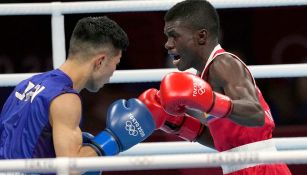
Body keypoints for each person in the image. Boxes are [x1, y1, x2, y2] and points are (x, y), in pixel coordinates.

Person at [138, 0, 292, 175]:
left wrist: (211, 101)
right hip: (236, 168)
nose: (168, 44)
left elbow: (255, 115)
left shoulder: (224, 63)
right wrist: (179, 125)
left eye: (174, 36)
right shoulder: (203, 77)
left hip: (262, 168)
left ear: (201, 36)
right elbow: (225, 143)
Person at [0, 16, 156, 174]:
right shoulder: (66, 99)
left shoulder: (27, 84)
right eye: (116, 63)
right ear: (100, 61)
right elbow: (71, 169)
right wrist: (113, 139)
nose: (113, 73)